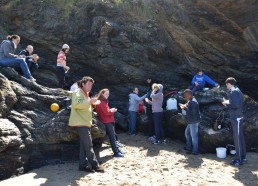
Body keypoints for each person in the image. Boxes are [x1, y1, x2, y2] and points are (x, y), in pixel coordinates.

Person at [69, 76, 104, 173]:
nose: (90, 86)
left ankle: (82, 165)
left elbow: (84, 106)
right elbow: (76, 104)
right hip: (81, 122)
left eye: (91, 84)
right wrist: (90, 101)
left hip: (84, 122)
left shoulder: (85, 93)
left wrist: (92, 103)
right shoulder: (78, 92)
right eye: (89, 84)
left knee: (84, 145)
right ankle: (95, 165)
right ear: (83, 84)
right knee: (88, 145)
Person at [222, 77, 246, 166]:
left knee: (237, 138)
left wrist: (226, 104)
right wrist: (229, 102)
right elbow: (238, 102)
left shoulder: (234, 91)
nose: (226, 87)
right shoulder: (237, 90)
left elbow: (235, 105)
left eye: (226, 85)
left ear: (229, 84)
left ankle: (238, 159)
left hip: (236, 117)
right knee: (240, 138)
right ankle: (243, 157)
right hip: (238, 116)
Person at [95, 89, 124, 158]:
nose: (108, 95)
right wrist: (112, 110)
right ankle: (116, 152)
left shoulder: (102, 101)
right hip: (106, 121)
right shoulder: (101, 102)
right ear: (102, 94)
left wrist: (110, 110)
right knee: (112, 138)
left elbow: (106, 111)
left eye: (108, 94)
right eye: (106, 94)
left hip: (107, 121)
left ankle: (117, 150)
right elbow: (106, 112)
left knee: (113, 137)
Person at [179, 89, 201, 155]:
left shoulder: (193, 102)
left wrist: (185, 108)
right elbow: (189, 108)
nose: (184, 97)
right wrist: (184, 106)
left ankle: (195, 151)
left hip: (194, 121)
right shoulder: (190, 100)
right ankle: (189, 147)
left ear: (189, 95)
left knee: (194, 136)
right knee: (187, 133)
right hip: (191, 120)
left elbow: (193, 113)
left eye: (185, 95)